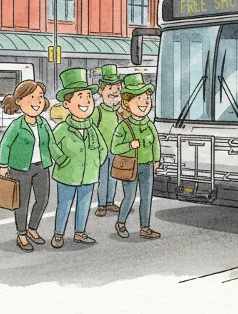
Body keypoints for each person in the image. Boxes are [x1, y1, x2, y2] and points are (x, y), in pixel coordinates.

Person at [49, 68, 107, 248]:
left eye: (89, 97)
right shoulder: (62, 129)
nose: (86, 102)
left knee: (84, 204)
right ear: (67, 104)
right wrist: (62, 160)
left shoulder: (92, 128)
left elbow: (102, 148)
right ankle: (58, 234)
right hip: (67, 174)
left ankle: (80, 232)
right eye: (80, 97)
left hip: (89, 174)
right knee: (64, 205)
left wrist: (97, 163)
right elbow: (51, 146)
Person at [0, 80, 54, 252]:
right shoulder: (17, 125)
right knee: (22, 203)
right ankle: (21, 234)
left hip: (41, 167)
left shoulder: (43, 123)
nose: (37, 101)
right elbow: (5, 144)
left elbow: (52, 143)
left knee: (42, 200)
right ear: (19, 101)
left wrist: (60, 158)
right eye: (32, 97)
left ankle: (32, 228)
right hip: (20, 169)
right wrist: (3, 166)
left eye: (40, 97)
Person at [111, 73, 162, 240]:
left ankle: (145, 227)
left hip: (147, 165)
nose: (145, 102)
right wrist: (129, 146)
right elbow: (115, 147)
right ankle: (121, 223)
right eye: (139, 99)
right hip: (130, 166)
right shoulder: (124, 125)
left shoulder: (149, 124)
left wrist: (156, 160)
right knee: (130, 196)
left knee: (147, 197)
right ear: (127, 103)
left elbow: (155, 143)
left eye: (147, 98)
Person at [92, 65, 122, 217]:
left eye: (117, 87)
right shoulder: (98, 111)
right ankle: (102, 204)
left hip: (116, 150)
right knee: (102, 178)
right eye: (110, 88)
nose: (114, 91)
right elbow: (92, 130)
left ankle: (110, 202)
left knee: (113, 177)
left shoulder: (119, 111)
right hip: (101, 150)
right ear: (101, 91)